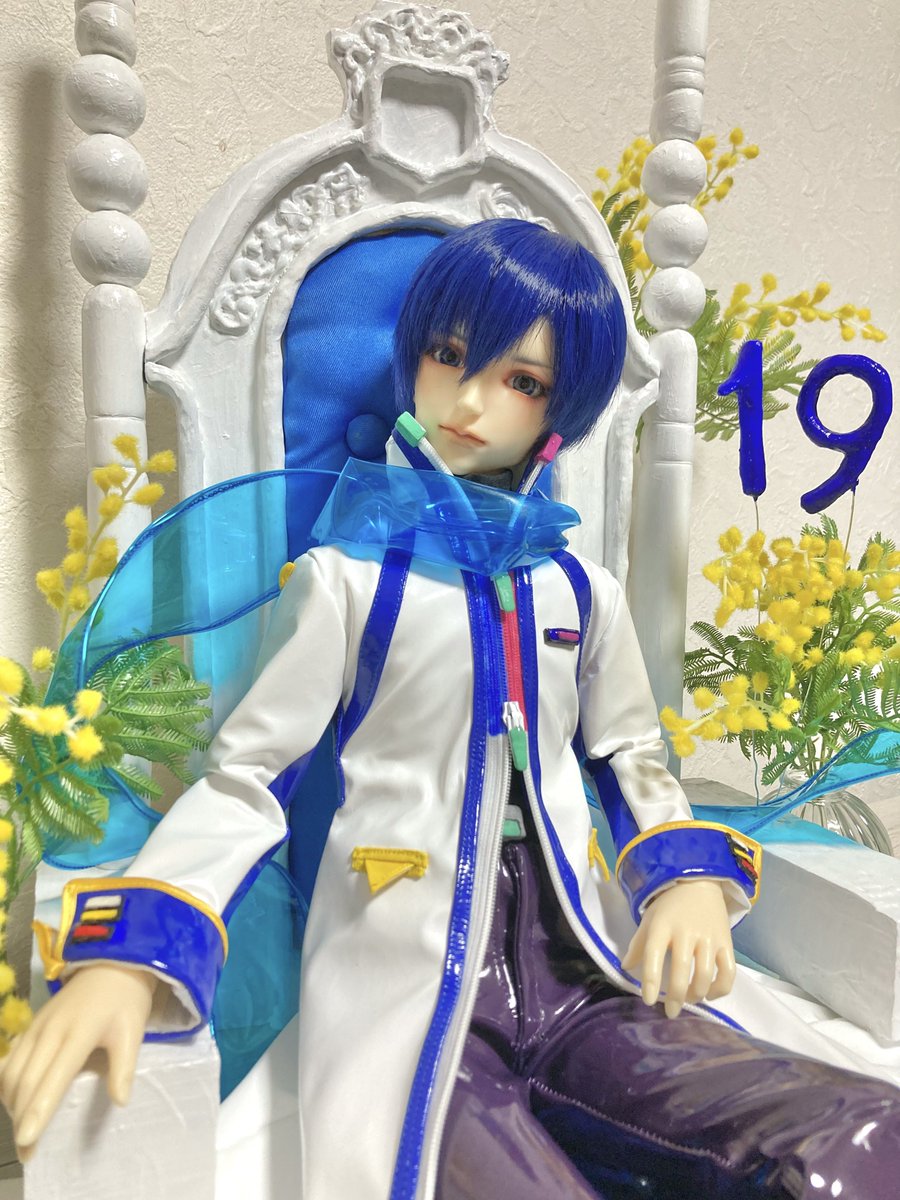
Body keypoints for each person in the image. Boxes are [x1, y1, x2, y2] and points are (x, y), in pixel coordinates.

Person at [1, 220, 897, 1199]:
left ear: (562, 409)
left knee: (858, 1136)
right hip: (413, 978)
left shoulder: (579, 591)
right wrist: (135, 952)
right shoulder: (347, 582)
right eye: (449, 354)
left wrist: (684, 881)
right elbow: (250, 776)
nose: (471, 401)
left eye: (522, 381)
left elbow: (631, 755)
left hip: (584, 969)